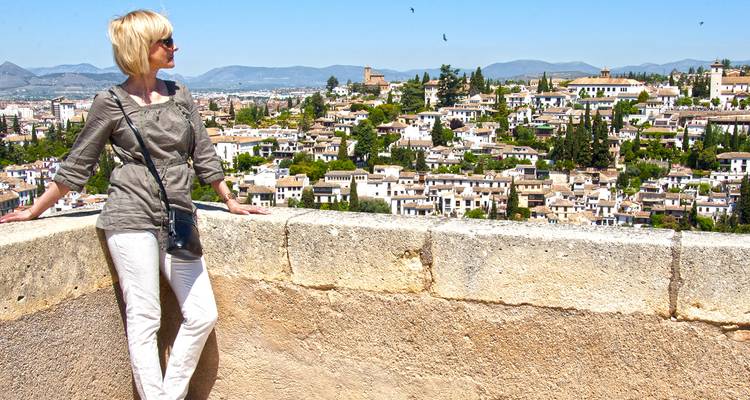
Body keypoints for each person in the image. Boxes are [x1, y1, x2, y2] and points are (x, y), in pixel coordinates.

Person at [0, 9, 268, 399]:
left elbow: (204, 152)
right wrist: (34, 210)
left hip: (177, 212)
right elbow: (80, 162)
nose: (175, 47)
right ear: (142, 48)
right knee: (145, 319)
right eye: (166, 41)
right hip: (129, 211)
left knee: (202, 313)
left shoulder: (181, 94)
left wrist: (229, 199)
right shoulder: (110, 101)